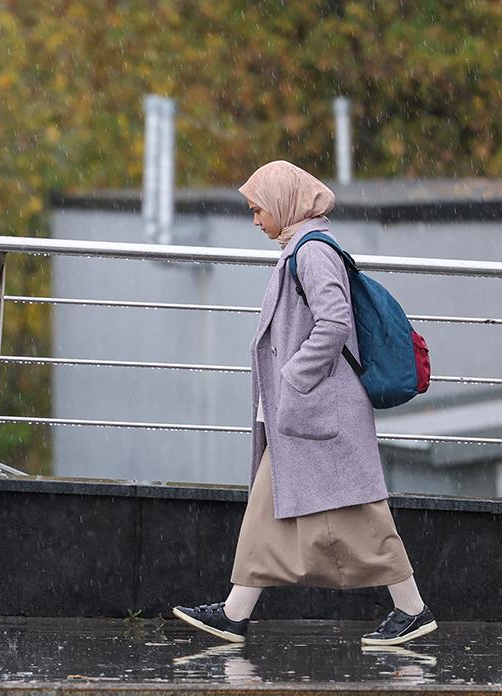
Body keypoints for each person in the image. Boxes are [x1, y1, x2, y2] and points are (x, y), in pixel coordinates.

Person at [172, 160, 436, 648]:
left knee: (363, 513)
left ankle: (413, 610)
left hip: (318, 409)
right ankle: (234, 613)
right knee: (268, 509)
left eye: (258, 209)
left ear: (283, 203)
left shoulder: (312, 251)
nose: (255, 219)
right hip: (309, 411)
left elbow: (334, 323)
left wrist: (294, 375)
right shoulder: (302, 247)